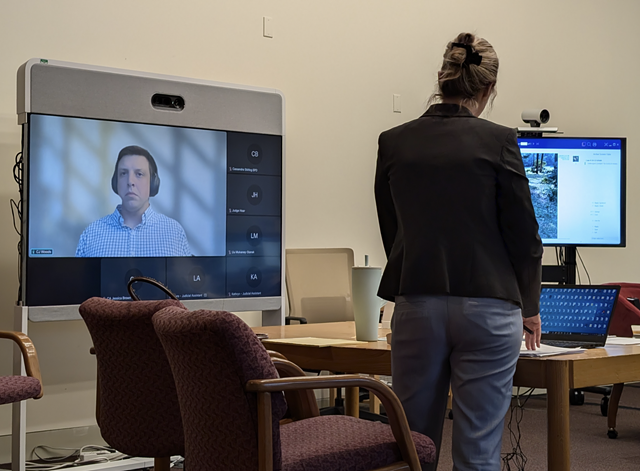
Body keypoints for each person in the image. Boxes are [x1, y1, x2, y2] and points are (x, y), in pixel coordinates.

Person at [374, 33, 543, 471]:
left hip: (417, 305)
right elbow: (524, 235)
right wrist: (531, 305)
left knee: (413, 444)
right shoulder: (499, 140)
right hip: (490, 308)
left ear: (440, 77)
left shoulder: (393, 141)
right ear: (488, 89)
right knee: (479, 449)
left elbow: (393, 231)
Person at [76, 145, 191, 257]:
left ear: (153, 183)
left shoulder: (174, 232)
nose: (130, 181)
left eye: (139, 174)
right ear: (116, 182)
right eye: (123, 173)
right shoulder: (91, 234)